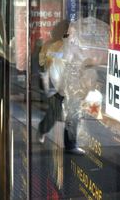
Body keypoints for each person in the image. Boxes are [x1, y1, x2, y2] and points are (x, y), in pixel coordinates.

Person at [37, 20, 86, 155]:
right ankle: (42, 129)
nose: (73, 32)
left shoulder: (75, 44)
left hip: (71, 84)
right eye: (71, 29)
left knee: (73, 114)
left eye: (74, 29)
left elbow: (81, 59)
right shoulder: (52, 46)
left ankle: (71, 144)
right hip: (57, 84)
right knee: (54, 113)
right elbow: (46, 61)